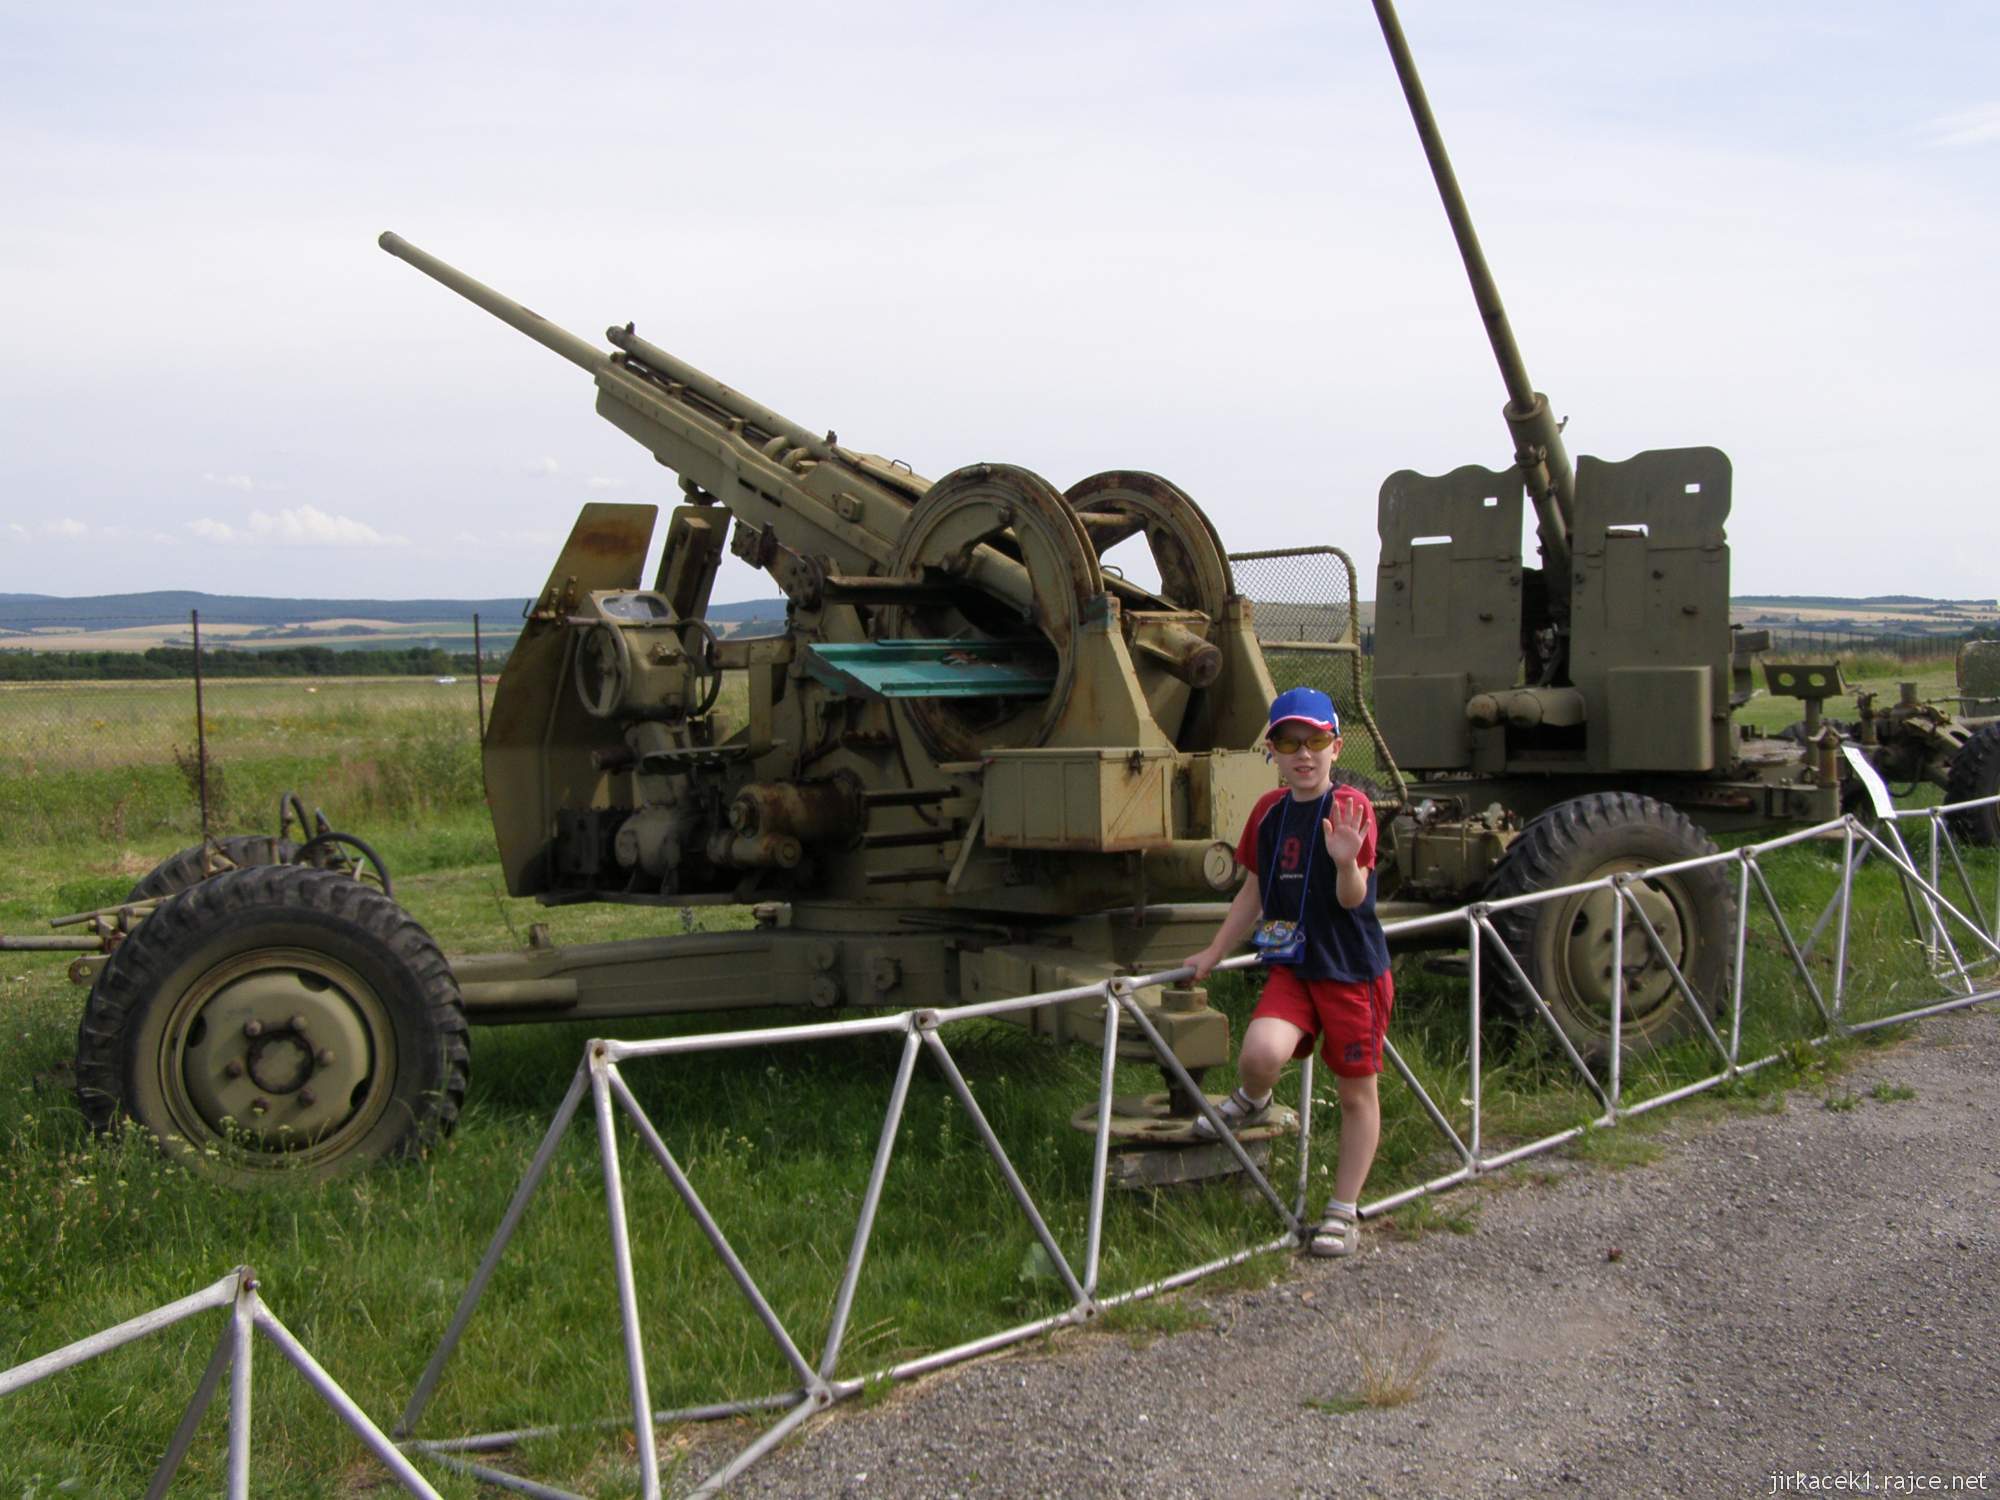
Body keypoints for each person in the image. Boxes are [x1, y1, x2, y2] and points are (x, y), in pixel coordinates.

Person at [1183, 685, 1394, 1258]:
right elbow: (1253, 890)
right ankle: (1251, 1099)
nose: (1304, 753)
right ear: (1271, 750)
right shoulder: (1269, 814)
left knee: (1355, 1094)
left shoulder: (1352, 809)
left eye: (1316, 740)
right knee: (1259, 1054)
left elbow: (1354, 900)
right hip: (1294, 965)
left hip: (1349, 969)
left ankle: (1342, 1210)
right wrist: (1213, 953)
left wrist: (1347, 861)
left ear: (1335, 746)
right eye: (1288, 741)